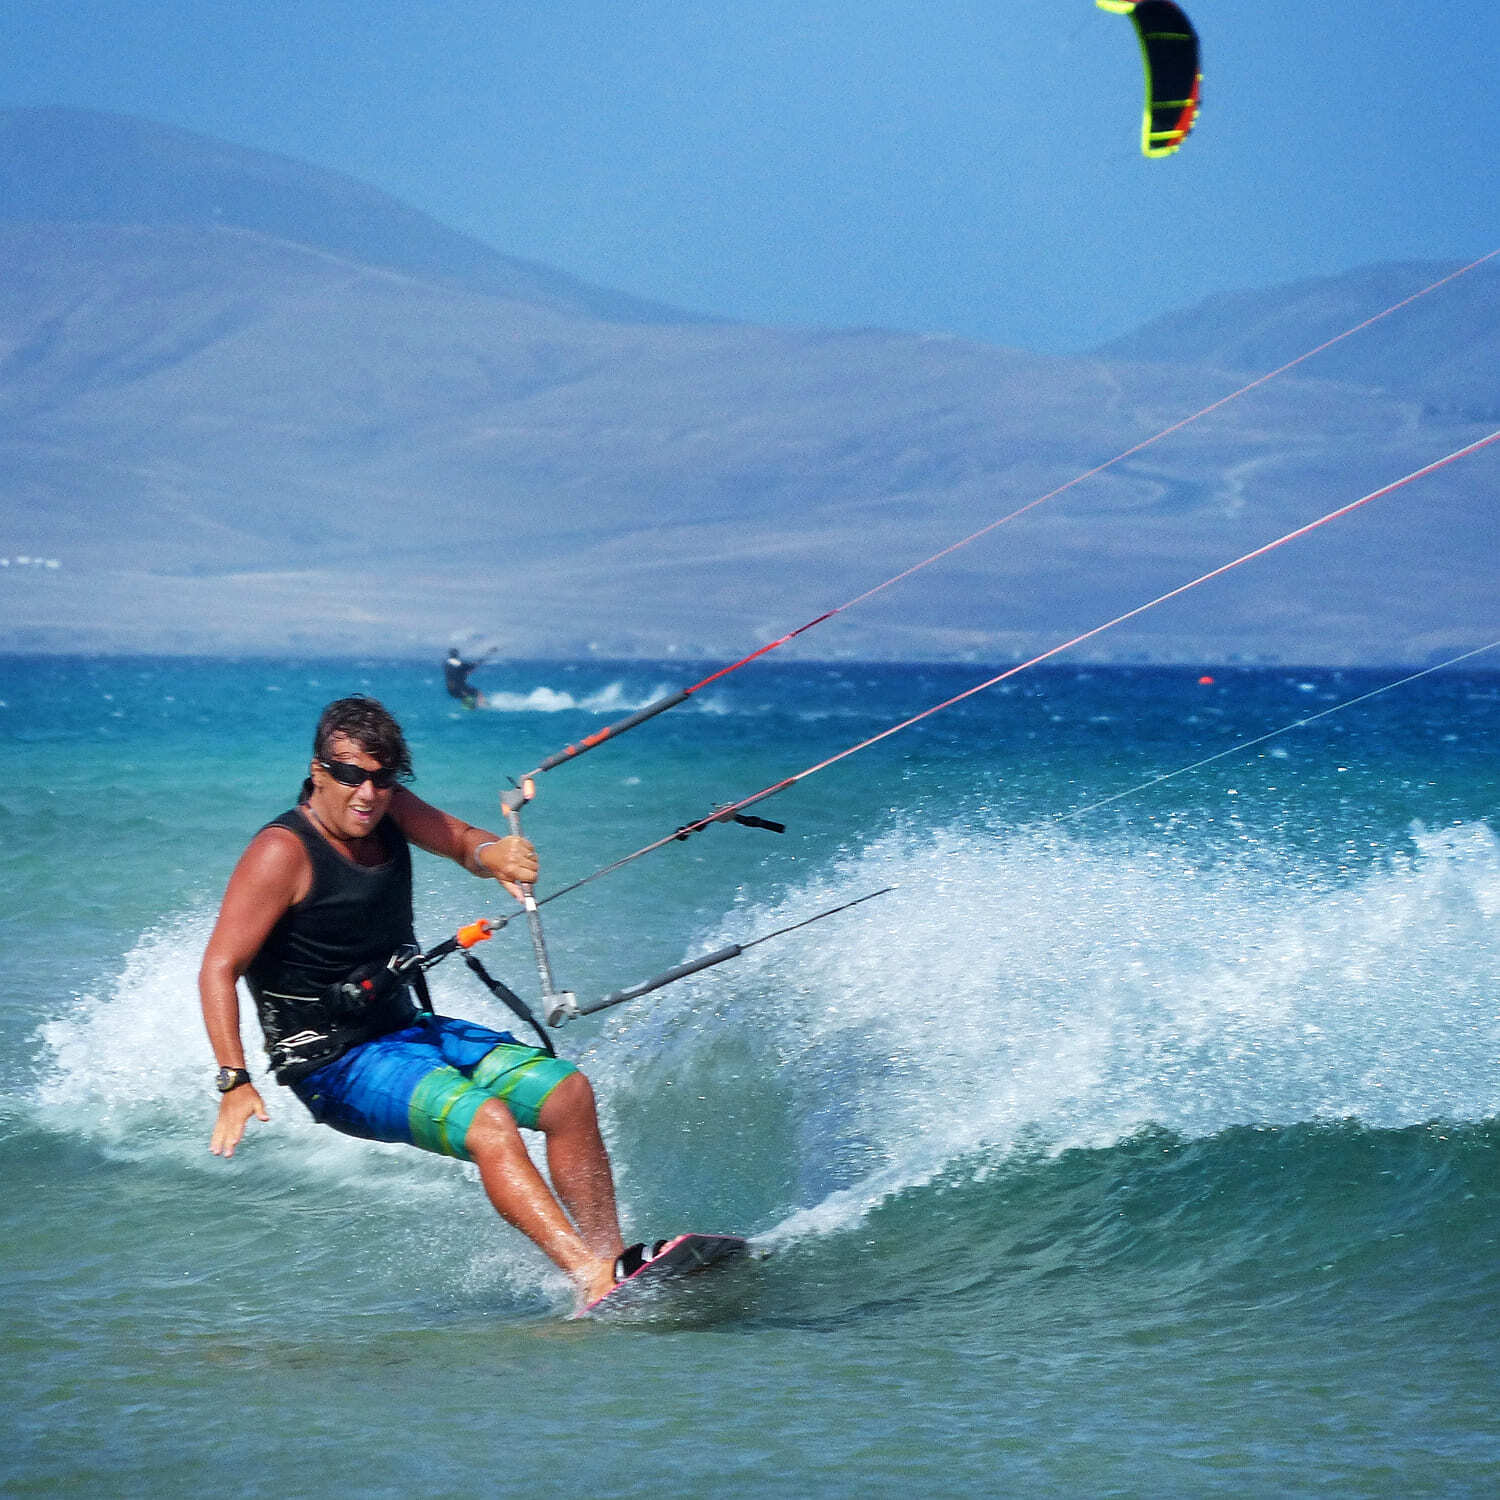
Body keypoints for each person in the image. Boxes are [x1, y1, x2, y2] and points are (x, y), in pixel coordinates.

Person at [199, 694, 626, 1307]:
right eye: (349, 775)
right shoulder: (282, 853)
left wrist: (491, 854)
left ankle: (614, 1262)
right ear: (318, 771)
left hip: (406, 1029)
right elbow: (218, 967)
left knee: (568, 1094)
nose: (366, 794)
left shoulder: (388, 810)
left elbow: (459, 841)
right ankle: (589, 1278)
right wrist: (234, 1080)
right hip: (331, 1063)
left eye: (381, 778)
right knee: (490, 1123)